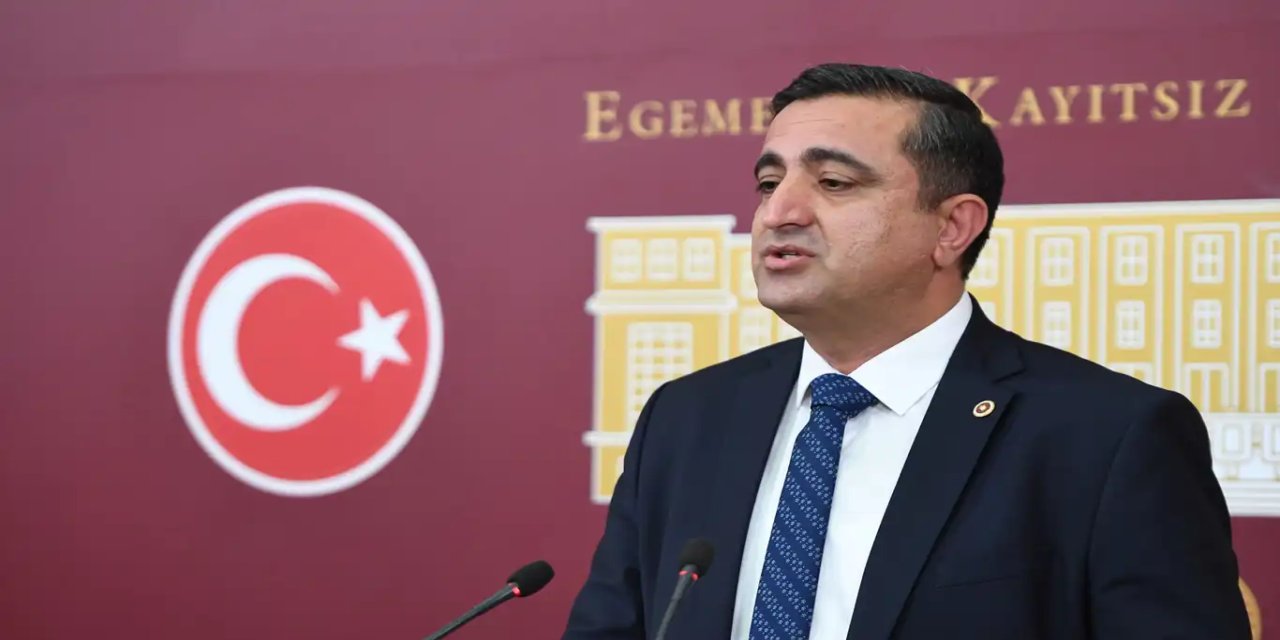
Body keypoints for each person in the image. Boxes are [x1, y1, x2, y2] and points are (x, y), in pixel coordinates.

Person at [562, 63, 1250, 639]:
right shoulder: (688, 417)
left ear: (951, 228)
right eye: (769, 183)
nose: (778, 212)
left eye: (834, 183)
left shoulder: (1107, 436)